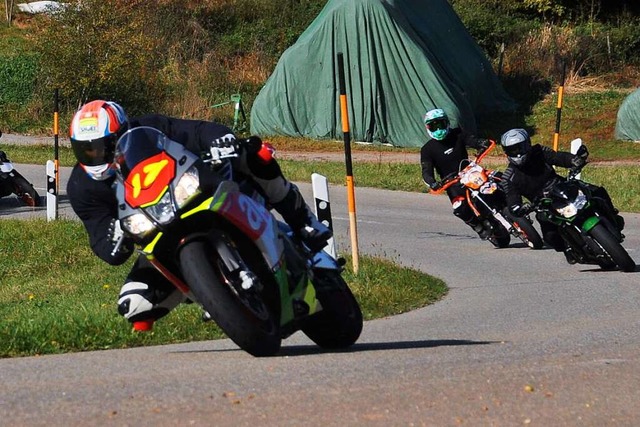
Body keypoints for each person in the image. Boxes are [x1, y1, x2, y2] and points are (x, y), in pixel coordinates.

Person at [67, 100, 332, 331]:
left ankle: (304, 222)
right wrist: (116, 235)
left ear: (120, 134)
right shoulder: (81, 187)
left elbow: (196, 131)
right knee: (133, 305)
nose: (95, 156)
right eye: (86, 150)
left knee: (253, 154)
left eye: (101, 147)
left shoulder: (147, 130)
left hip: (193, 193)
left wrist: (221, 139)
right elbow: (101, 240)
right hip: (157, 235)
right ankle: (213, 296)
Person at [499, 128, 624, 264]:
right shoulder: (509, 177)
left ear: (527, 144)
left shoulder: (539, 152)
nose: (516, 153)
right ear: (506, 152)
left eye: (519, 148)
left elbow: (559, 157)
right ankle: (569, 249)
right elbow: (512, 198)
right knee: (550, 236)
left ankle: (613, 217)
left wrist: (574, 160)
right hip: (542, 204)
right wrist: (518, 208)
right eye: (512, 150)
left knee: (597, 191)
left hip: (562, 188)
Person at [420, 108, 491, 238]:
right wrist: (432, 182)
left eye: (440, 124)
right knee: (459, 208)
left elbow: (472, 140)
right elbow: (426, 171)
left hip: (471, 172)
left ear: (446, 123)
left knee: (496, 179)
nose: (438, 129)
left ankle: (512, 206)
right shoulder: (427, 149)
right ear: (427, 128)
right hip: (452, 183)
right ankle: (478, 226)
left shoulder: (458, 133)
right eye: (433, 126)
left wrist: (481, 143)